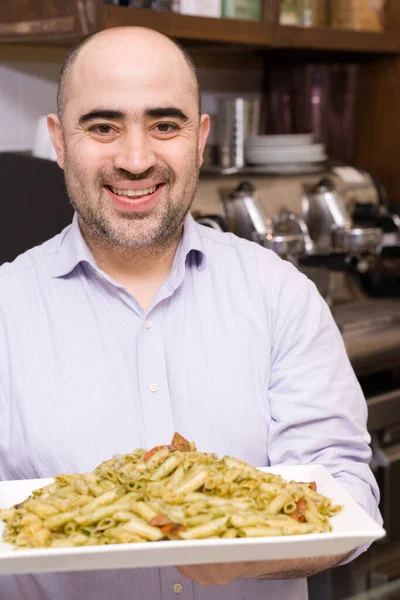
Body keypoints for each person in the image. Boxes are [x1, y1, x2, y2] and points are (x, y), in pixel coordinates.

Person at [0, 26, 381, 600]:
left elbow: (346, 491)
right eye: (103, 126)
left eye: (165, 125)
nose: (135, 158)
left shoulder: (281, 295)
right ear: (59, 141)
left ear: (200, 139)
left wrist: (246, 549)